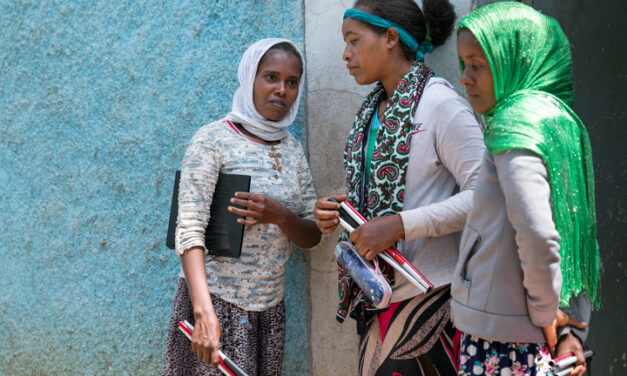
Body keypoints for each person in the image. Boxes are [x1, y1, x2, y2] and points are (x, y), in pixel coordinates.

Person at [314, 0, 485, 374]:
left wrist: (399, 225)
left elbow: (485, 197)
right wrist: (339, 210)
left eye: (354, 40)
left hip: (431, 303)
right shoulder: (371, 111)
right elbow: (386, 188)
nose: (346, 54)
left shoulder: (441, 105)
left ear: (390, 38)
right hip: (376, 299)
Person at [451, 2, 599, 375]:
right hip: (532, 333)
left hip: (503, 338)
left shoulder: (514, 128)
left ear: (511, 61)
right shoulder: (556, 121)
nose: (465, 78)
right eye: (464, 64)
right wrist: (567, 327)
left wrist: (546, 316)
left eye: (478, 65)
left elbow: (538, 234)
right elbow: (574, 236)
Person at [162, 38, 321, 376]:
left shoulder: (292, 150)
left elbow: (311, 236)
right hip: (216, 306)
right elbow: (188, 228)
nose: (281, 90)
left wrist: (279, 215)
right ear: (250, 78)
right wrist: (203, 312)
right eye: (271, 77)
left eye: (291, 82)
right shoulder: (212, 140)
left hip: (269, 311)